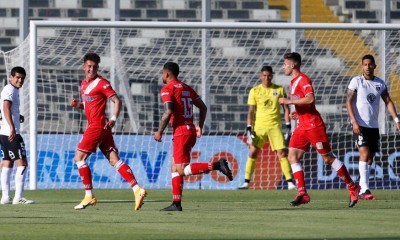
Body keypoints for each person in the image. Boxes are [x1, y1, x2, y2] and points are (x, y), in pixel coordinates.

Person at [278, 52, 360, 208]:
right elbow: (304, 103)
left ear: (293, 64)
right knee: (292, 156)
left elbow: (310, 98)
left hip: (314, 126)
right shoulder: (293, 82)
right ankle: (302, 193)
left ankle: (352, 186)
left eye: (285, 64)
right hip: (302, 126)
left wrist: (289, 101)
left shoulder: (303, 79)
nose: (283, 67)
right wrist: (298, 111)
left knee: (328, 159)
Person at [70, 53, 147, 210]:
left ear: (98, 68)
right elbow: (90, 105)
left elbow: (117, 101)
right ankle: (137, 189)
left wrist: (113, 118)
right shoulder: (83, 84)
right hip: (101, 126)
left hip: (98, 125)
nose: (91, 69)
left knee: (79, 158)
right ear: (84, 66)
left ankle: (89, 196)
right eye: (89, 66)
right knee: (114, 160)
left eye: (95, 67)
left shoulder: (102, 83)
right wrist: (79, 105)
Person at [153, 62, 233, 211]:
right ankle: (176, 203)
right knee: (174, 168)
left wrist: (159, 131)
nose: (162, 76)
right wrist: (199, 126)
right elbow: (203, 107)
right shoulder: (187, 88)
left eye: (162, 74)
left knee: (182, 170)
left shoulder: (167, 89)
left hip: (181, 132)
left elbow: (168, 111)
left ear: (166, 74)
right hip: (189, 129)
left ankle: (216, 165)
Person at [346, 54, 400, 200]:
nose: (368, 67)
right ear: (362, 66)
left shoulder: (380, 84)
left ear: (375, 66)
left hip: (373, 126)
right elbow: (348, 101)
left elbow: (388, 101)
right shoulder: (356, 81)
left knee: (370, 158)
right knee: (364, 154)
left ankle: (362, 187)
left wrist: (396, 119)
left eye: (370, 64)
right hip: (360, 124)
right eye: (365, 64)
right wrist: (354, 121)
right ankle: (364, 189)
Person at [238, 66, 296, 190]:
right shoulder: (255, 90)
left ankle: (290, 183)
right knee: (253, 152)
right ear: (260, 76)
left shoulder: (279, 90)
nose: (266, 78)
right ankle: (246, 182)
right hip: (259, 127)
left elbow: (286, 109)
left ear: (272, 76)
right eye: (264, 75)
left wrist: (288, 126)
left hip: (275, 126)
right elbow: (251, 111)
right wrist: (249, 128)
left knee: (281, 153)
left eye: (269, 75)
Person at [0, 66, 34, 204]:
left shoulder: (11, 90)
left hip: (3, 132)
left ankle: (6, 197)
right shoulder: (10, 89)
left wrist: (17, 116)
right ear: (11, 77)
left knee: (7, 162)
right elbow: (5, 107)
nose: (20, 80)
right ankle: (18, 197)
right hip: (10, 132)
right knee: (23, 163)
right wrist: (12, 127)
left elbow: (7, 109)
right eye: (17, 77)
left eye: (22, 78)